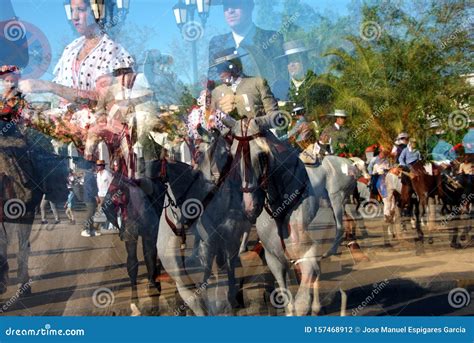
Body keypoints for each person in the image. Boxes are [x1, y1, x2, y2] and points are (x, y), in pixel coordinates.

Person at [208, 0, 288, 100]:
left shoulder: (271, 38)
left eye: (235, 4)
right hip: (229, 111)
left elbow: (281, 81)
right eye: (226, 6)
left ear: (250, 6)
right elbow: (213, 82)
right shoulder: (217, 43)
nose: (230, 10)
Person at [96, 159, 116, 233]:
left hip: (107, 195)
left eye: (99, 165)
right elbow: (97, 185)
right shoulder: (98, 174)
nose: (97, 167)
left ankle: (110, 226)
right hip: (100, 195)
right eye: (97, 165)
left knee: (107, 211)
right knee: (100, 211)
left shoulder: (107, 173)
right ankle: (102, 226)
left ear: (102, 166)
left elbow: (112, 184)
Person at [81, 161, 100, 237]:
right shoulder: (89, 175)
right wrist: (96, 196)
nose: (95, 167)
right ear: (91, 167)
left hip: (90, 197)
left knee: (92, 214)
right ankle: (84, 229)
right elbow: (90, 188)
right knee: (89, 214)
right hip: (90, 198)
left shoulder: (89, 175)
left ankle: (91, 230)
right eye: (94, 166)